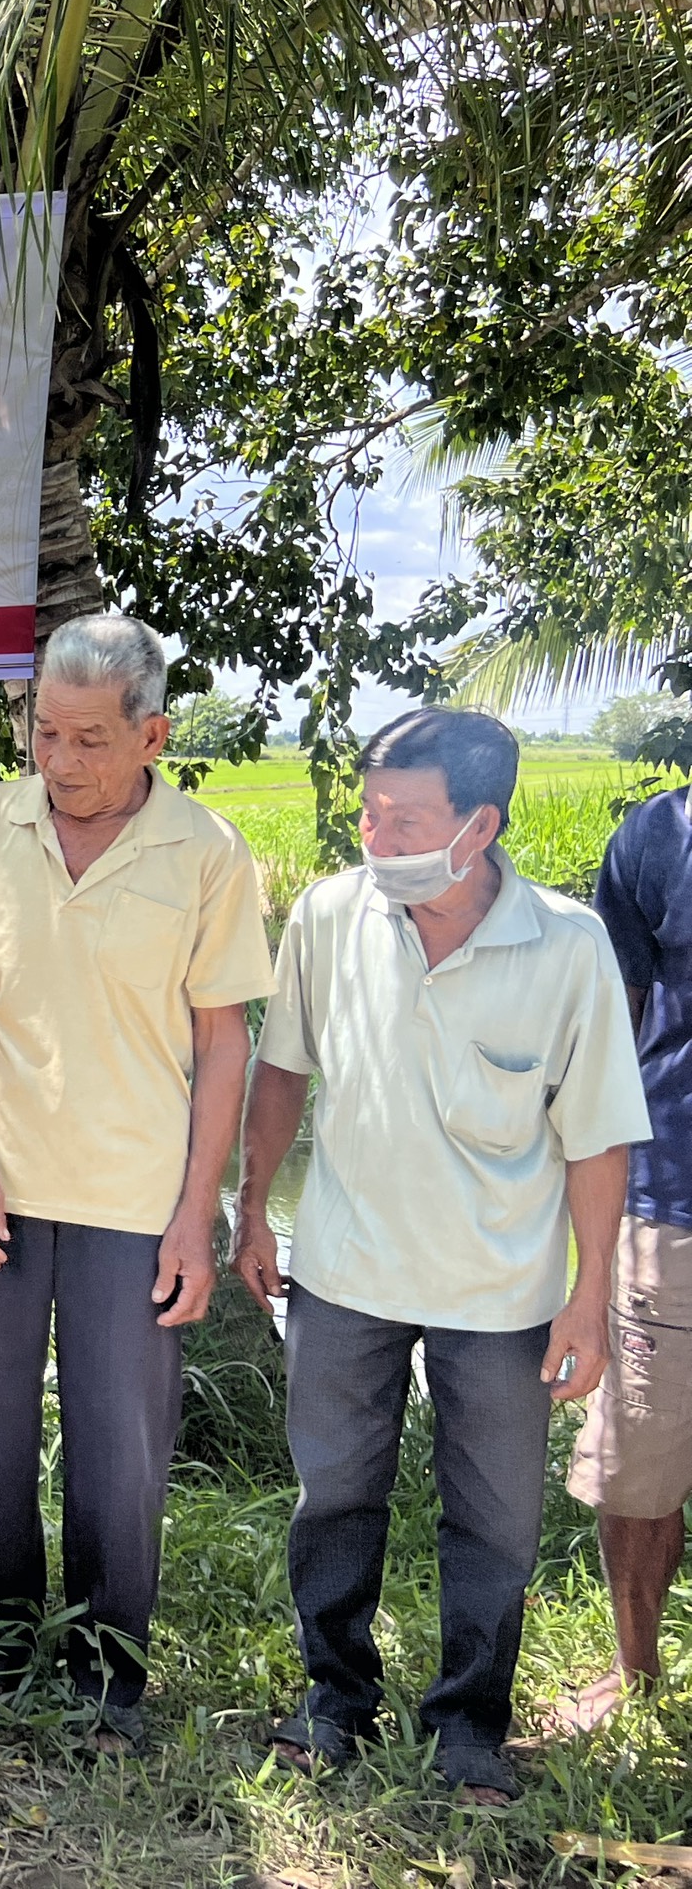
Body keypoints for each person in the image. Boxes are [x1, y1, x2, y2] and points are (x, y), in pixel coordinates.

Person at [234, 707, 646, 1803]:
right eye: (369, 813)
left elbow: (597, 1134)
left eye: (404, 818)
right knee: (333, 1496)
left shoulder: (566, 946)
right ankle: (334, 1699)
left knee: (497, 1519)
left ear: (480, 826)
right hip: (344, 1271)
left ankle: (469, 1722)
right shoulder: (330, 915)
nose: (376, 837)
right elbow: (282, 1071)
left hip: (500, 1289)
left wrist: (587, 1297)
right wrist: (248, 1212)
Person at [0, 616, 273, 1750]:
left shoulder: (208, 852)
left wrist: (197, 1212)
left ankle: (108, 1671)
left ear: (152, 734)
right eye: (45, 733)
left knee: (119, 1448)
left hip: (135, 1197)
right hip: (1, 1191)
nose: (60, 761)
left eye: (87, 740)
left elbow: (225, 1044)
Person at [552, 778, 692, 1732]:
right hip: (670, 1201)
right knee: (636, 1458)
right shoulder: (657, 835)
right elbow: (614, 1025)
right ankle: (633, 1670)